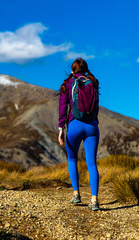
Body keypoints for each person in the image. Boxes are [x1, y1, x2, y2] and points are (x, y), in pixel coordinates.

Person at [58, 58, 100, 211]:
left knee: (72, 159)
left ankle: (76, 195)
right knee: (92, 164)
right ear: (86, 70)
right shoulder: (93, 83)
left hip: (74, 125)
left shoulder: (68, 83)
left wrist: (61, 128)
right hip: (92, 127)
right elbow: (96, 107)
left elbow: (63, 108)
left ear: (73, 70)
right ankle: (94, 200)